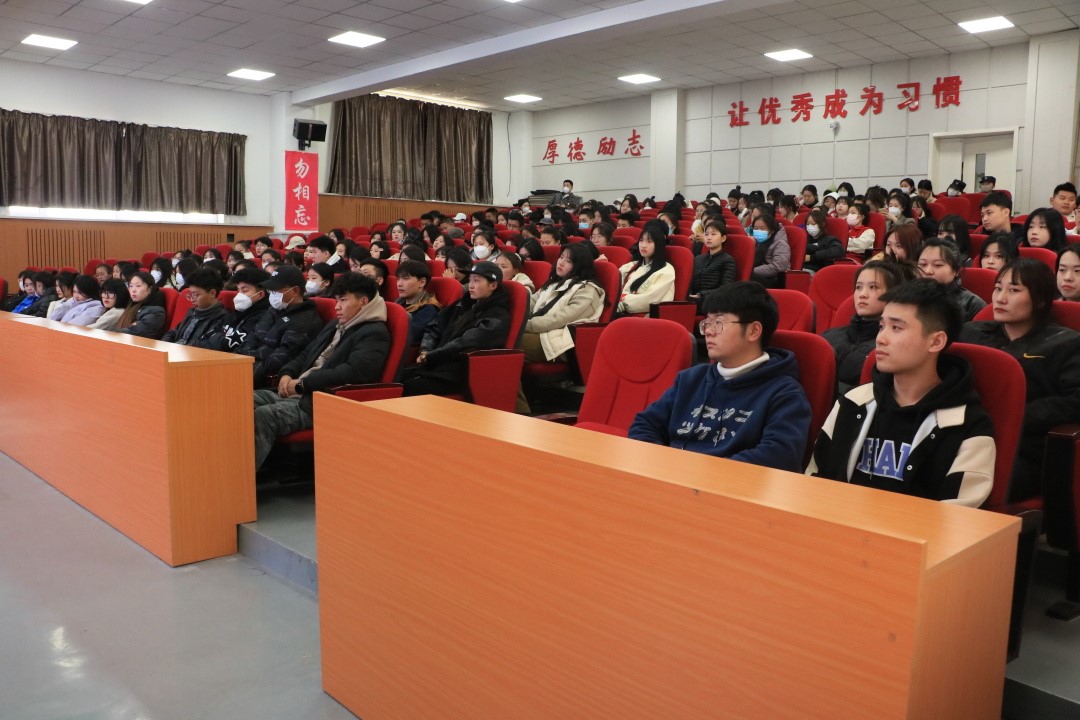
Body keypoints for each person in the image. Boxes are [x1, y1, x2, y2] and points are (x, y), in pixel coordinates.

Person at [809, 279, 995, 508]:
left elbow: (961, 519)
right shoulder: (852, 402)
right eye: (881, 327)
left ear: (936, 341)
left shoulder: (968, 425)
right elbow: (814, 484)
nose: (880, 338)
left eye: (896, 328)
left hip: (918, 531)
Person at [628, 282, 811, 472]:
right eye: (707, 322)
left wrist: (702, 473)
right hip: (670, 477)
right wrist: (662, 465)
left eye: (718, 322)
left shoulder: (784, 393)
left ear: (753, 331)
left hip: (729, 486)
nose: (708, 331)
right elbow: (645, 424)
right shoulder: (690, 379)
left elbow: (780, 456)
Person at [959, 259, 1080, 500]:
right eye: (998, 288)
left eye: (1014, 290)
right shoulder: (971, 333)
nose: (1000, 298)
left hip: (1022, 447)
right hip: (963, 437)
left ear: (1040, 299)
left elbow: (1074, 401)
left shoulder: (1066, 343)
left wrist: (1014, 416)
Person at [253, 273, 390, 470]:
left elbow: (353, 372)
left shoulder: (374, 333)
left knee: (264, 415)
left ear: (363, 301)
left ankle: (241, 480)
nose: (337, 307)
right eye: (336, 300)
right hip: (300, 392)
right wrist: (286, 373)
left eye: (343, 300)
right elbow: (307, 353)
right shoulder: (337, 324)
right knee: (242, 400)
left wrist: (302, 385)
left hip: (321, 402)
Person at [403, 261, 512, 397]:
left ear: (493, 286)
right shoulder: (464, 303)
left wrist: (431, 356)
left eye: (476, 281)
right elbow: (435, 325)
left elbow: (464, 343)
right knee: (397, 378)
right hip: (437, 364)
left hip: (459, 372)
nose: (470, 285)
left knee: (407, 387)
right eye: (470, 280)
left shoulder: (496, 316)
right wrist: (425, 350)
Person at [822, 260, 911, 393]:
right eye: (858, 287)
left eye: (873, 287)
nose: (862, 294)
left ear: (893, 294)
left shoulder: (891, 347)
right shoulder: (827, 337)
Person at [521, 243, 605, 364]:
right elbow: (531, 302)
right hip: (542, 331)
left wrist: (525, 325)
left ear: (580, 265)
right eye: (561, 257)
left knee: (509, 339)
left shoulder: (587, 291)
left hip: (558, 342)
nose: (561, 263)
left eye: (568, 261)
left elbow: (559, 319)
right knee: (504, 332)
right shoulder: (556, 281)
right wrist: (515, 318)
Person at [245, 265, 325, 388]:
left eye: (276, 290)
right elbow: (252, 338)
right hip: (247, 367)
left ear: (295, 291)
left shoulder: (305, 321)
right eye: (271, 291)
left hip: (265, 381)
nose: (272, 295)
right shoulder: (274, 310)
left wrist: (245, 365)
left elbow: (277, 361)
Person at [917, 237, 986, 320]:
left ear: (956, 271)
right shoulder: (908, 298)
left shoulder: (972, 304)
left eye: (938, 265)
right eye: (923, 264)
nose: (928, 271)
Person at [160, 269, 230, 349]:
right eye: (190, 294)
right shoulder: (192, 311)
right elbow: (173, 332)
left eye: (196, 295)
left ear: (212, 293)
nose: (192, 299)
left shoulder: (222, 318)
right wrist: (164, 344)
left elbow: (205, 345)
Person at [616, 225, 675, 315]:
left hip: (643, 316)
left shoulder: (666, 270)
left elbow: (651, 298)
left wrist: (622, 303)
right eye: (641, 240)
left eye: (649, 241)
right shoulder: (631, 266)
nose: (643, 245)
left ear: (658, 245)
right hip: (620, 311)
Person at [222, 266, 272, 353]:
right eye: (238, 290)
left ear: (260, 294)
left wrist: (215, 339)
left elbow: (230, 344)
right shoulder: (238, 312)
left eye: (244, 291)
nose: (239, 295)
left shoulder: (263, 316)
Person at [688, 220, 736, 309]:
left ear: (723, 238)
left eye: (713, 234)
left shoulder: (727, 260)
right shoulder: (698, 258)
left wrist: (700, 295)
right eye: (706, 234)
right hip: (693, 299)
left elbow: (725, 288)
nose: (709, 237)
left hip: (713, 301)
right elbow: (690, 281)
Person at [395, 260, 442, 346]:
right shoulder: (397, 303)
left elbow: (409, 336)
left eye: (405, 278)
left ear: (422, 282)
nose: (399, 284)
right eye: (398, 279)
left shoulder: (429, 308)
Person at [116, 272, 168, 339]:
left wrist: (109, 332)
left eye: (138, 286)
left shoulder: (156, 312)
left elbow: (133, 332)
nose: (133, 290)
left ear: (149, 289)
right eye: (131, 286)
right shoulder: (131, 305)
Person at [750, 212, 790, 288]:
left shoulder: (780, 243)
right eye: (756, 228)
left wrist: (751, 271)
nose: (758, 231)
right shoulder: (755, 241)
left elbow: (778, 267)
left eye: (762, 228)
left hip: (774, 279)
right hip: (757, 276)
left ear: (771, 230)